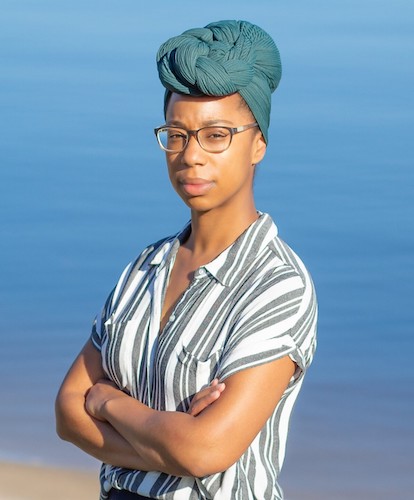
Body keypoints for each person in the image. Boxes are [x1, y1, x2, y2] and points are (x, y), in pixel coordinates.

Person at [55, 20, 317, 500]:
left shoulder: (278, 284)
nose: (190, 156)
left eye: (216, 135)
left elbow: (206, 452)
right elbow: (68, 413)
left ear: (258, 143)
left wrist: (110, 401)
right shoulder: (146, 266)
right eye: (176, 135)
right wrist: (170, 440)